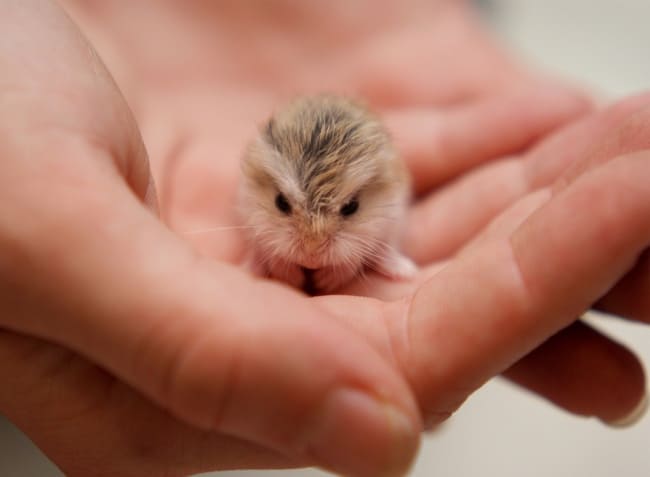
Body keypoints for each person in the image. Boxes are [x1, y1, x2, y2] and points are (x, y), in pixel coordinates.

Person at [0, 0, 648, 475]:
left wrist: (378, 251)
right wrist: (263, 250)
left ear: (375, 190)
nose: (311, 243)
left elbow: (384, 218)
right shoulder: (259, 175)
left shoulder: (385, 182)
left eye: (341, 213)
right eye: (284, 208)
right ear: (264, 184)